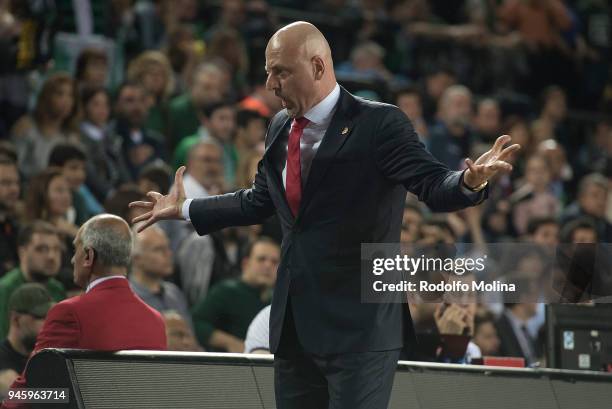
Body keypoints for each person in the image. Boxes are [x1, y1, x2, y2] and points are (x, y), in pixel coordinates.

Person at [130, 21, 519, 409]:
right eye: (268, 71)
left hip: (360, 330)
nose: (270, 84)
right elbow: (258, 200)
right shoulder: (280, 125)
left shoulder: (379, 124)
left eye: (280, 71)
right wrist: (184, 208)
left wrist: (468, 181)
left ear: (317, 67)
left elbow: (433, 184)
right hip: (295, 327)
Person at [1, 214, 167, 408]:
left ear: (88, 256)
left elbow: (32, 390)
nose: (72, 260)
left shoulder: (69, 313)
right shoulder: (156, 320)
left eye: (75, 250)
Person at [191, 237, 279, 352]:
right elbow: (197, 322)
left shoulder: (278, 300)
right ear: (245, 264)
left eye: (274, 262)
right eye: (261, 259)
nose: (268, 266)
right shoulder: (226, 291)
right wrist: (230, 342)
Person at [0, 222, 65, 339]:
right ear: (22, 252)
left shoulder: (57, 288)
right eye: (42, 249)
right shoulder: (5, 289)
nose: (51, 256)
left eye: (56, 249)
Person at [130, 225, 192, 328]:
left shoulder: (174, 293)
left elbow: (190, 339)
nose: (168, 254)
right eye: (159, 249)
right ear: (137, 259)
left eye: (168, 247)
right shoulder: (127, 298)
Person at [0, 284, 53, 398]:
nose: (48, 324)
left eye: (50, 316)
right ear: (16, 319)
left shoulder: (48, 357)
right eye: (40, 317)